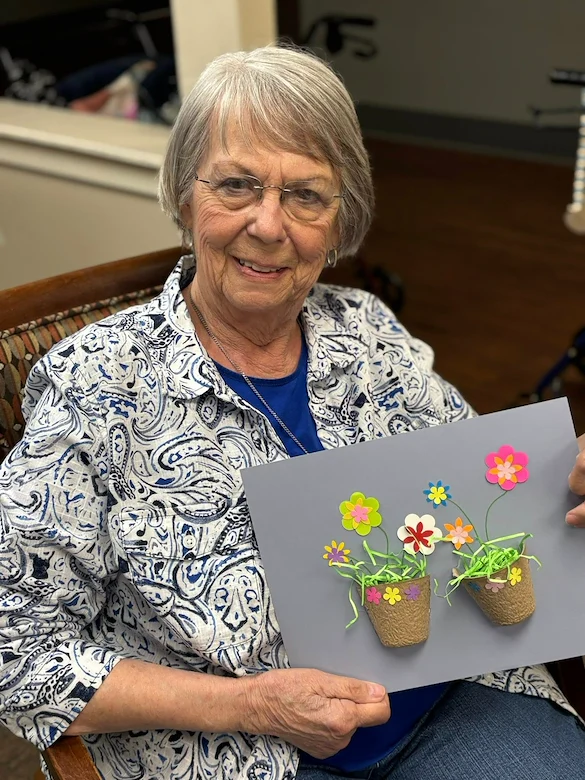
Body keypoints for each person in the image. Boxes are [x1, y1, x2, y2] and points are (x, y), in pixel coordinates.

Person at [1, 45, 585, 780]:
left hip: (455, 701)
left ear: (341, 223)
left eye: (306, 195)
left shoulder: (369, 331)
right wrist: (247, 705)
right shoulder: (94, 382)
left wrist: (564, 486)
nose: (269, 225)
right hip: (236, 750)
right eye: (237, 185)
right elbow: (16, 651)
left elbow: (477, 505)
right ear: (185, 196)